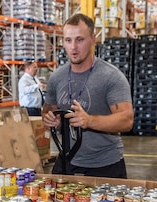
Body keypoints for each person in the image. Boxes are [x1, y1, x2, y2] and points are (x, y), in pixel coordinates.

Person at [42, 13, 133, 178]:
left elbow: (126, 120)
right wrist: (51, 120)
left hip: (105, 166)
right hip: (67, 161)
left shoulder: (111, 76)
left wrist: (90, 121)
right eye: (68, 40)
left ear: (93, 39)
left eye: (80, 39)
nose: (73, 47)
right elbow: (47, 112)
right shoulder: (57, 77)